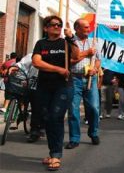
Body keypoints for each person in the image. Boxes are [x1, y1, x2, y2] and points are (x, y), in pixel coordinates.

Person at [32, 15, 79, 171]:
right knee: (47, 119)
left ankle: (56, 155)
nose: (57, 27)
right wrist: (58, 69)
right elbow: (37, 62)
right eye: (54, 25)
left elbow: (76, 56)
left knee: (56, 118)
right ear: (46, 28)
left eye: (59, 25)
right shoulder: (41, 43)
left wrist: (71, 38)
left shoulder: (65, 42)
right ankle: (53, 153)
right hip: (44, 86)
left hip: (63, 86)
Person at [66, 18, 101, 149]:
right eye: (85, 27)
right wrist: (86, 53)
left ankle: (93, 132)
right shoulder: (69, 42)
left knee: (94, 108)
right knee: (73, 110)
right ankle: (74, 138)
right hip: (74, 78)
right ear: (77, 29)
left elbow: (98, 60)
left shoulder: (94, 42)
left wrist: (95, 69)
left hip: (91, 79)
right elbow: (69, 60)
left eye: (89, 27)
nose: (88, 29)